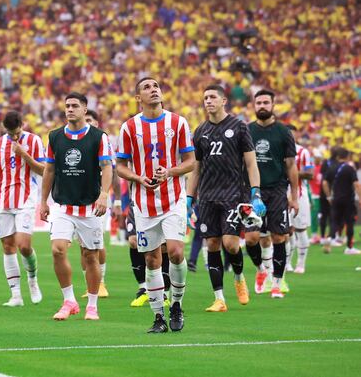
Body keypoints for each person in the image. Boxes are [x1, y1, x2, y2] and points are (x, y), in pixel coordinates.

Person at [116, 77, 195, 333]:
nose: (154, 90)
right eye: (147, 87)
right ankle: (159, 316)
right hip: (143, 203)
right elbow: (120, 166)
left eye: (156, 86)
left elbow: (190, 162)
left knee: (175, 252)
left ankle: (177, 306)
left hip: (173, 199)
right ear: (138, 98)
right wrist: (139, 178)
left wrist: (169, 172)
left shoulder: (178, 122)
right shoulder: (129, 128)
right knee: (151, 259)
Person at [185, 84, 262, 313]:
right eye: (205, 97)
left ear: (223, 100)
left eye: (212, 97)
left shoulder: (239, 127)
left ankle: (239, 277)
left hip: (233, 194)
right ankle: (219, 299)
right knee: (212, 245)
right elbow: (196, 169)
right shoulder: (200, 131)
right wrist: (190, 198)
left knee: (230, 243)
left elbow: (251, 163)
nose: (208, 101)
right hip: (207, 196)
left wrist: (255, 192)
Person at [39, 92, 113, 321]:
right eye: (67, 105)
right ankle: (69, 300)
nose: (69, 109)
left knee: (90, 256)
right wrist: (43, 201)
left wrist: (103, 194)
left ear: (84, 109)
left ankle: (92, 305)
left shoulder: (99, 137)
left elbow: (107, 167)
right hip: (63, 205)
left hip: (90, 207)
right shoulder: (55, 137)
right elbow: (49, 170)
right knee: (57, 249)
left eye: (74, 106)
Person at [0, 110, 44, 306]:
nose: (14, 137)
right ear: (4, 129)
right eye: (10, 133)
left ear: (22, 125)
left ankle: (32, 280)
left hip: (26, 200)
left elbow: (44, 170)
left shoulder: (34, 141)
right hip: (4, 201)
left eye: (16, 133)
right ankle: (15, 295)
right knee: (8, 246)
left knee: (24, 246)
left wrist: (24, 155)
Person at [246, 89, 299, 299]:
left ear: (273, 105)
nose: (262, 106)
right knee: (251, 239)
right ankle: (261, 271)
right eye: (258, 102)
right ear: (254, 105)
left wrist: (294, 197)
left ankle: (276, 283)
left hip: (277, 189)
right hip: (252, 190)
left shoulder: (284, 132)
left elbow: (291, 166)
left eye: (266, 102)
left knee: (279, 237)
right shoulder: (247, 130)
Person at [78, 109, 110, 298]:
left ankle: (101, 283)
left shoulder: (102, 140)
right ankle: (89, 284)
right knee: (83, 245)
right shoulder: (77, 142)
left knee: (97, 242)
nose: (88, 123)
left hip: (100, 197)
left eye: (90, 120)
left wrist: (109, 197)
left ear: (97, 123)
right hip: (79, 199)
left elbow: (110, 169)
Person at [285, 125, 314, 272]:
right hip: (281, 194)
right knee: (285, 231)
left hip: (300, 195)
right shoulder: (277, 150)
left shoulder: (303, 152)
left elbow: (310, 174)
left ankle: (301, 263)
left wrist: (291, 172)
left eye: (292, 134)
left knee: (301, 229)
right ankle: (287, 262)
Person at [327, 148, 361, 254]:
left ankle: (331, 239)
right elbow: (356, 184)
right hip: (347, 199)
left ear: (337, 157)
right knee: (349, 222)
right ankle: (349, 248)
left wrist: (329, 196)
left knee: (335, 220)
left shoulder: (332, 168)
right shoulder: (349, 168)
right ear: (347, 157)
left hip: (336, 198)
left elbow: (325, 182)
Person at [318, 147, 340, 244]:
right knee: (333, 215)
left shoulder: (325, 163)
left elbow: (322, 177)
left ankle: (323, 237)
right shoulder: (338, 165)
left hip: (323, 192)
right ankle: (332, 237)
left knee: (324, 214)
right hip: (334, 192)